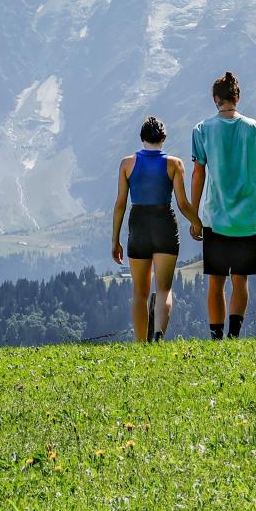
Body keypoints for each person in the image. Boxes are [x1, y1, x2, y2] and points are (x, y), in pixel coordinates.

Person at [190, 71, 256, 339]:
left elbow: (198, 175)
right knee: (241, 281)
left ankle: (216, 338)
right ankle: (234, 335)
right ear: (237, 97)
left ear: (215, 99)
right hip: (248, 219)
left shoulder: (202, 130)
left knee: (216, 282)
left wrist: (194, 217)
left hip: (216, 218)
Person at [111, 116, 200, 343]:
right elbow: (182, 204)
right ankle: (159, 334)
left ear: (142, 138)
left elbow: (120, 204)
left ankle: (141, 343)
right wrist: (197, 222)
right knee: (164, 289)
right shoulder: (174, 164)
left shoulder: (127, 164)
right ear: (164, 138)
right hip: (164, 224)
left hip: (138, 224)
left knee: (139, 293)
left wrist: (115, 240)